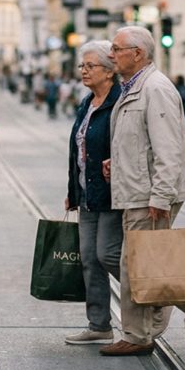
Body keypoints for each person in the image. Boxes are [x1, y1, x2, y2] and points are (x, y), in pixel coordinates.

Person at [99, 26, 185, 357]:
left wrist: (160, 197)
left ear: (138, 53)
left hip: (149, 193)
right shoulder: (134, 87)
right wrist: (115, 161)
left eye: (117, 48)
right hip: (137, 188)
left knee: (137, 266)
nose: (112, 54)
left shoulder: (156, 89)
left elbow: (170, 149)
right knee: (143, 266)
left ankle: (141, 334)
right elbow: (139, 141)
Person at [63, 41, 121, 346]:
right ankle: (99, 325)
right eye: (82, 66)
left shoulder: (119, 103)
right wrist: (73, 189)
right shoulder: (87, 103)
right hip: (87, 194)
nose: (84, 71)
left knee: (107, 254)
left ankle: (152, 295)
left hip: (112, 193)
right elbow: (78, 149)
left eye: (90, 66)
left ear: (109, 72)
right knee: (88, 258)